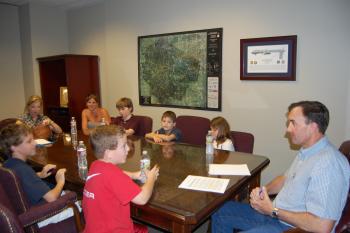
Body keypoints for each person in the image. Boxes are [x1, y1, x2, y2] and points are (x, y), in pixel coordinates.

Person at [211, 101, 350, 233]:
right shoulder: (307, 152)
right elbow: (285, 179)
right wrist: (263, 191)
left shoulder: (328, 164)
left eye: (293, 123)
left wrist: (272, 210)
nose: (288, 129)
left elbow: (322, 225)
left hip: (291, 228)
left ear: (313, 127)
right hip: (277, 216)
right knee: (219, 210)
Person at [82, 125, 160, 233]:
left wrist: (133, 175)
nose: (128, 148)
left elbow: (116, 174)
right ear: (109, 153)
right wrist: (151, 178)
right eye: (123, 146)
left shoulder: (96, 166)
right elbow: (142, 199)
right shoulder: (112, 174)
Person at [0, 122, 74, 227]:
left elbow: (20, 180)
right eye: (29, 141)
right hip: (40, 215)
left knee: (66, 192)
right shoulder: (23, 169)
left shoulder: (9, 164)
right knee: (82, 203)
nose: (34, 143)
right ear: (14, 148)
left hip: (27, 208)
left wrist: (39, 175)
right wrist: (60, 181)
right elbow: (52, 198)